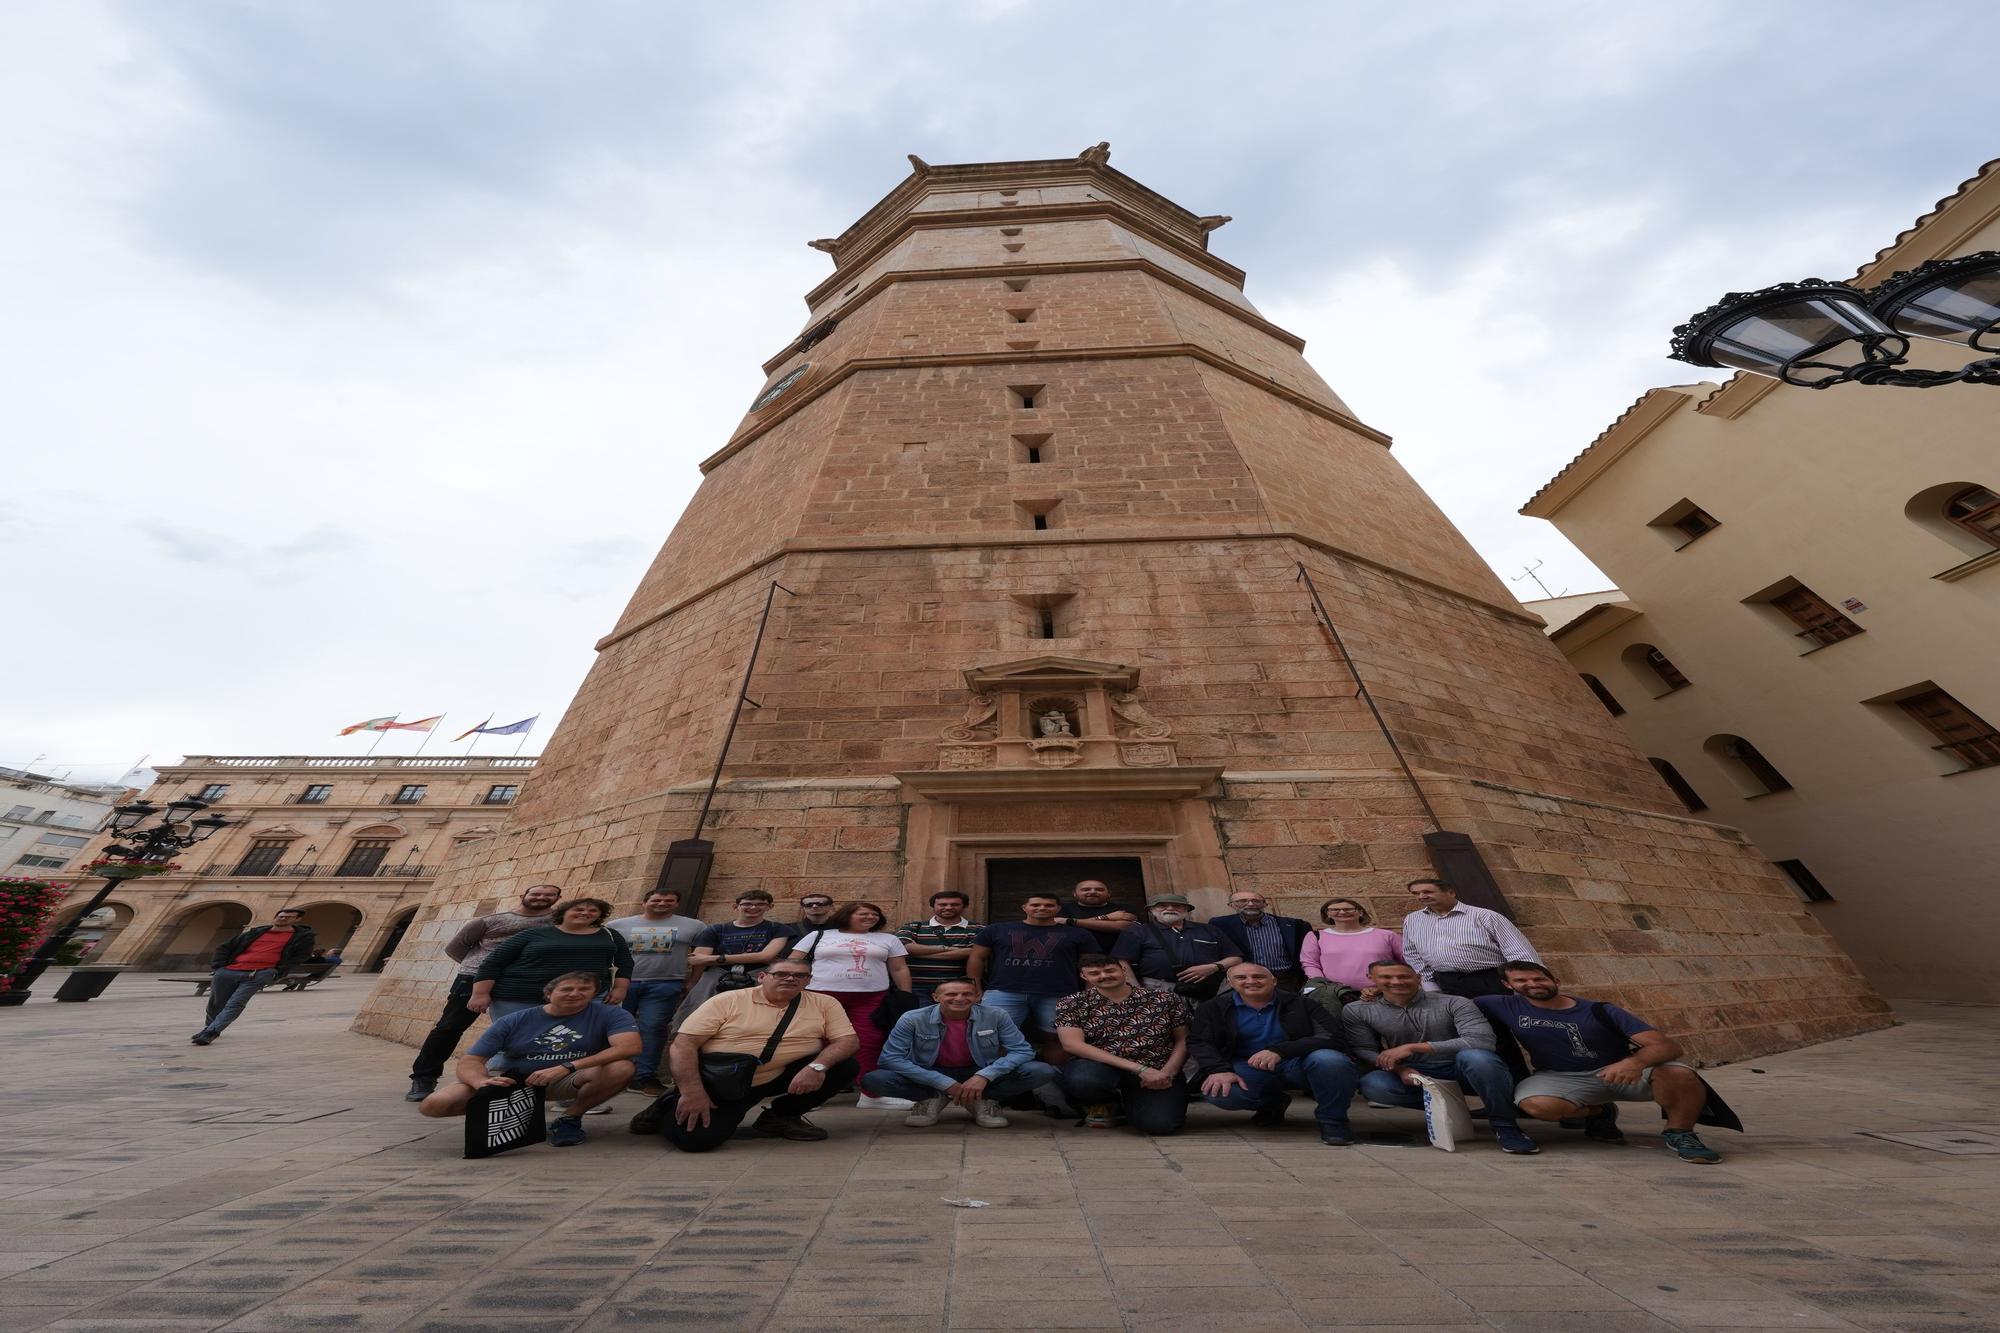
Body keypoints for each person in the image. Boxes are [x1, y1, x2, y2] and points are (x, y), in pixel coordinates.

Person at [1479, 961, 1724, 1164]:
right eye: (1521, 981)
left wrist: (1634, 1063)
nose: (1532, 984)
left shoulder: (1600, 1010)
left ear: (1556, 982)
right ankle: (1600, 1111)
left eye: (1539, 979)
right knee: (1535, 1105)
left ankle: (1681, 1133)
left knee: (1681, 1075)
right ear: (1508, 985)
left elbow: (1668, 1046)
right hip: (1560, 1076)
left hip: (1621, 1071)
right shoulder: (1501, 1005)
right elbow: (1451, 1006)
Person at [418, 971, 640, 1147]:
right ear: (549, 993)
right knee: (434, 1105)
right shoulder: (513, 1020)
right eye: (567, 989)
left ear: (594, 993)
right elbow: (471, 1061)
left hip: (568, 1078)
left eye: (584, 989)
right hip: (513, 1079)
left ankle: (570, 1118)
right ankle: (517, 1112)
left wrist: (567, 1066)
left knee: (622, 1068)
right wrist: (481, 1083)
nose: (575, 993)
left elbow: (629, 1047)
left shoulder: (611, 1014)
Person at [1341, 960, 1537, 1154]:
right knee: (1373, 1084)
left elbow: (1482, 1041)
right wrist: (1400, 1069)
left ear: (1418, 979)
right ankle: (1450, 1111)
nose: (1396, 981)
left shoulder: (1454, 1002)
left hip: (1462, 1068)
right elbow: (1363, 1048)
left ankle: (1505, 1126)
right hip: (1416, 1074)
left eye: (1404, 976)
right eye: (1386, 977)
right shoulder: (1358, 1010)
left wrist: (1415, 1047)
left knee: (1479, 1058)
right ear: (1371, 979)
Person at [663, 959, 861, 1150]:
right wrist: (692, 1093)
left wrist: (816, 1067)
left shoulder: (825, 1003)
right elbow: (683, 1045)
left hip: (780, 1075)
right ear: (762, 977)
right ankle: (664, 1107)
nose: (791, 979)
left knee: (843, 1066)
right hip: (723, 1080)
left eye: (799, 975)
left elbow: (848, 1041)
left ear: (808, 980)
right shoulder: (728, 1000)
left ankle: (779, 1118)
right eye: (781, 974)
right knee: (695, 1141)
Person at [404, 883, 561, 1101]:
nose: (541, 897)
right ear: (523, 894)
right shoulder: (489, 921)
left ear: (557, 898)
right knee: (450, 1027)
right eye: (535, 893)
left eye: (548, 895)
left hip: (523, 981)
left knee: (529, 1030)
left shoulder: (557, 921)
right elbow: (455, 948)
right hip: (474, 979)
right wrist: (478, 967)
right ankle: (424, 1077)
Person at [1190, 962, 1364, 1144]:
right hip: (1246, 1066)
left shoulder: (1302, 1003)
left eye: (1258, 976)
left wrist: (1280, 1050)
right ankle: (1271, 1103)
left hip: (1298, 1064)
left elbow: (1333, 1037)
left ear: (1273, 980)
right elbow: (1199, 1042)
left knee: (1332, 1061)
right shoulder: (1213, 1008)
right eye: (1241, 977)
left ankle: (1333, 1122)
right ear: (1230, 983)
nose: (1251, 981)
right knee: (1220, 1092)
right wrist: (1219, 1070)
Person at [862, 978, 1059, 1128]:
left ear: (977, 997)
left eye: (967, 994)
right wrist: (942, 1083)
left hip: (979, 1072)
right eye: (951, 994)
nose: (959, 999)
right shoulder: (912, 1018)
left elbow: (1022, 1050)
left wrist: (985, 1075)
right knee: (874, 1079)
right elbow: (890, 1058)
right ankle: (930, 1097)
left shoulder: (996, 1015)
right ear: (936, 997)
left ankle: (983, 1100)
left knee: (1040, 1071)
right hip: (929, 1073)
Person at [787, 900, 914, 1096]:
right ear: (847, 915)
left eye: (874, 915)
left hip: (871, 997)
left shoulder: (888, 939)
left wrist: (906, 994)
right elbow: (794, 962)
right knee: (818, 1040)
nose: (871, 917)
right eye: (863, 914)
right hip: (821, 995)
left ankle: (870, 1093)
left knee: (870, 1040)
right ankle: (810, 1092)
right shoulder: (819, 935)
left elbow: (899, 968)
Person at [1055, 954, 1192, 1134]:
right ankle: (1109, 1102)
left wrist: (1167, 1073)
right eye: (1095, 973)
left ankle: (1134, 1105)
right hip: (1102, 1068)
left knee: (1161, 1126)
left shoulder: (1164, 999)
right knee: (1083, 1080)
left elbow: (1184, 1039)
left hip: (1157, 1067)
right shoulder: (1071, 1003)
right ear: (1084, 977)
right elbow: (1073, 1045)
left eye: (1110, 970)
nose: (1104, 976)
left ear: (1124, 970)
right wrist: (1139, 1069)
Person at [607, 889, 708, 1097]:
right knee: (615, 1028)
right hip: (623, 982)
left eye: (669, 901)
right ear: (645, 902)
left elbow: (701, 955)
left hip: (665, 983)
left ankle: (644, 1076)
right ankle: (612, 1074)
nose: (662, 903)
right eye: (657, 900)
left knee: (653, 1028)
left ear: (676, 904)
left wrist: (692, 981)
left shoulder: (694, 926)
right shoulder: (617, 925)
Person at [471, 898, 634, 1021]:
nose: (586, 913)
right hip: (521, 997)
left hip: (582, 998)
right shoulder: (532, 934)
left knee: (573, 1043)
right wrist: (480, 993)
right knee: (513, 1043)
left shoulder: (609, 935)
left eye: (593, 910)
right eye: (579, 909)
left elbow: (625, 964)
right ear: (564, 913)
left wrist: (620, 989)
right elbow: (493, 963)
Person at [968, 894, 1098, 1034]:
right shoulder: (996, 929)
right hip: (1003, 991)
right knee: (994, 1034)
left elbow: (1090, 965)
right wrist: (974, 987)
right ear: (1024, 907)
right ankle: (1013, 1057)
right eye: (1035, 905)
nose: (1042, 908)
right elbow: (977, 958)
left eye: (1049, 905)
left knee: (1059, 1037)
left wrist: (1090, 994)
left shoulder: (1079, 934)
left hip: (1060, 993)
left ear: (1058, 908)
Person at [190, 908, 316, 1045]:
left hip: (260, 973)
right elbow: (225, 947)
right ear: (275, 916)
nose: (283, 918)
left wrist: (276, 970)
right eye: (281, 916)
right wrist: (219, 967)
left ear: (297, 919)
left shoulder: (302, 937)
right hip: (229, 972)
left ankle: (211, 1032)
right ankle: (209, 1027)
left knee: (236, 1003)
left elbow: (301, 956)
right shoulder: (256, 932)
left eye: (288, 917)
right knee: (216, 1003)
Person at [1400, 878, 1542, 998]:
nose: (1421, 896)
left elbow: (1517, 950)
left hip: (1489, 979)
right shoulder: (1412, 920)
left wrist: (1527, 983)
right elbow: (1412, 953)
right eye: (1416, 893)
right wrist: (1429, 983)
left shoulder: (1485, 916)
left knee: (1500, 1024)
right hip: (1446, 982)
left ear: (1450, 892)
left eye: (1428, 891)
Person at [1111, 892, 1239, 998]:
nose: (1170, 908)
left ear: (1186, 909)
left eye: (1177, 905)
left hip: (1209, 990)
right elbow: (1122, 961)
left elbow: (1236, 958)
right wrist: (1136, 991)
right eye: (1162, 905)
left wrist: (1214, 967)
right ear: (1151, 910)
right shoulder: (1137, 931)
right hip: (1158, 990)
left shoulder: (1209, 929)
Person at [688, 890, 794, 990]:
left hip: (757, 979)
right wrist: (693, 983)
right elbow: (698, 960)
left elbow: (766, 956)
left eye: (760, 904)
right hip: (715, 979)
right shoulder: (714, 929)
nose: (753, 907)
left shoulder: (779, 929)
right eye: (747, 904)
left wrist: (715, 959)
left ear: (770, 907)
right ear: (735, 906)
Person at [1208, 890, 1313, 990]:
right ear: (1231, 905)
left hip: (1284, 980)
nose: (1250, 904)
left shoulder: (1294, 925)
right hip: (1244, 981)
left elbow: (1308, 954)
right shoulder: (1220, 924)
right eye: (1242, 901)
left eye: (1256, 901)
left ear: (1264, 904)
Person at [1302, 897, 1406, 993]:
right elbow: (1310, 963)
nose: (1342, 912)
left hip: (1383, 992)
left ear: (1360, 912)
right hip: (1336, 994)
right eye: (1335, 910)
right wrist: (1324, 987)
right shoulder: (1316, 936)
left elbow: (1406, 959)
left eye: (1348, 909)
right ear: (1327, 914)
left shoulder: (1386, 935)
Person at [896, 890, 982, 1003]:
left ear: (964, 906)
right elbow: (905, 948)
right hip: (918, 988)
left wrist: (920, 953)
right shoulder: (913, 927)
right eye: (943, 904)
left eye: (955, 904)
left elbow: (973, 953)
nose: (948, 907)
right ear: (933, 906)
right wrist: (947, 949)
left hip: (958, 989)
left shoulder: (977, 929)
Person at [1056, 878, 1139, 939]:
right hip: (1074, 956)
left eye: (1099, 889)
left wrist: (1070, 921)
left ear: (1108, 893)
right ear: (1074, 893)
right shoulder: (1063, 908)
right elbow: (1058, 924)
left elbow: (1122, 927)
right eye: (1086, 889)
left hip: (1117, 957)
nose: (1093, 892)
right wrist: (1107, 917)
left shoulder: (1123, 908)